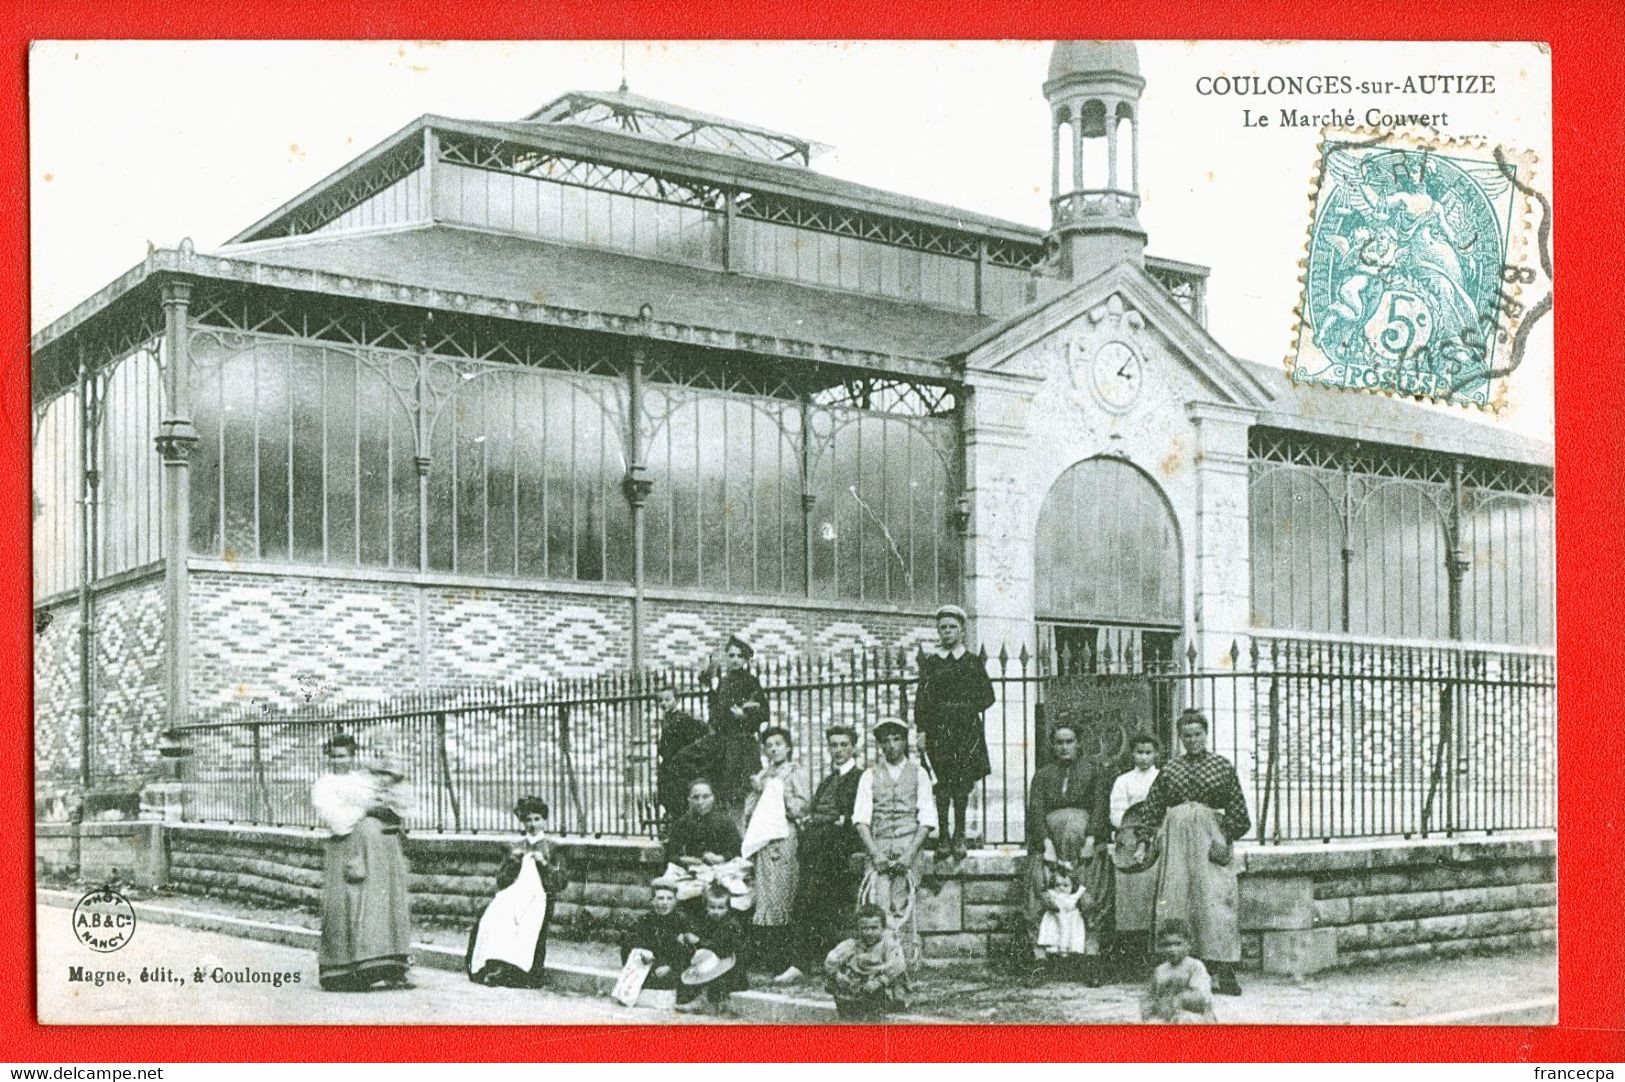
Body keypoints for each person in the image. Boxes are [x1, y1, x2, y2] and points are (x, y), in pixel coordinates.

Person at [1141, 708, 1251, 997]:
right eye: (1186, 735)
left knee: (1216, 902)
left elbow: (1239, 812)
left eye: (1197, 734)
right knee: (1176, 900)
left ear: (1206, 734)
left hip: (1209, 838)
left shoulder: (1222, 766)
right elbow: (1152, 807)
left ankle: (1225, 971)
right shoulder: (1170, 769)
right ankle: (1176, 972)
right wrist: (1145, 838)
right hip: (1175, 840)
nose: (1192, 740)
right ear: (1180, 737)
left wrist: (1225, 839)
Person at [311, 734, 413, 992]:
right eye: (334, 756)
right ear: (328, 757)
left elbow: (388, 800)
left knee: (381, 907)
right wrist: (366, 811)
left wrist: (383, 806)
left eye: (344, 756)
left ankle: (390, 967)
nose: (339, 761)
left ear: (352, 756)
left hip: (380, 853)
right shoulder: (325, 784)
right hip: (348, 850)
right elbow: (335, 818)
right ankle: (347, 970)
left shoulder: (363, 780)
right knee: (349, 905)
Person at [1023, 721, 1111, 984]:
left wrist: (1091, 839)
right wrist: (1047, 844)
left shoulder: (1093, 772)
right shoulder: (1043, 774)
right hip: (1050, 846)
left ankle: (1091, 959)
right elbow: (1036, 810)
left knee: (1090, 894)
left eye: (1069, 741)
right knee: (1039, 892)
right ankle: (1039, 961)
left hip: (1084, 845)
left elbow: (1099, 806)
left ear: (1078, 743)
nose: (1064, 747)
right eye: (1059, 742)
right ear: (1053, 745)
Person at [913, 605, 995, 860]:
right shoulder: (931, 663)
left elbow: (987, 696)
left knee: (962, 786)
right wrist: (923, 730)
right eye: (943, 628)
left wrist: (964, 708)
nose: (947, 632)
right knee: (942, 786)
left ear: (961, 630)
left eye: (952, 627)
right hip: (939, 731)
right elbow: (922, 699)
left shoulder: (971, 662)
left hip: (965, 732)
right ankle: (943, 838)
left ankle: (960, 836)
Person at [852, 717, 935, 966]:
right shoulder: (869, 775)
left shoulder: (919, 774)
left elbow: (928, 820)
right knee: (878, 904)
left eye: (896, 738)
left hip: (908, 848)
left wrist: (909, 855)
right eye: (885, 740)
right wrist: (875, 854)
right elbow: (861, 820)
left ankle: (905, 962)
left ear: (905, 741)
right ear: (880, 745)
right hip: (879, 849)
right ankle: (878, 962)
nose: (891, 745)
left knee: (903, 905)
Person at [466, 796, 567, 988]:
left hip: (540, 901)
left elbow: (561, 881)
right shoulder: (516, 848)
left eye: (537, 819)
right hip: (513, 899)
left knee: (527, 926)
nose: (532, 824)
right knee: (490, 919)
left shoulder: (554, 849)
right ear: (523, 822)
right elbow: (501, 881)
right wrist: (513, 861)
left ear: (544, 821)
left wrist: (544, 864)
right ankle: (494, 966)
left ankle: (520, 973)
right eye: (528, 820)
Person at [792, 725, 866, 974]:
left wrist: (835, 820)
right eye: (833, 745)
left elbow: (852, 817)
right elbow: (817, 812)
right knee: (806, 897)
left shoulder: (860, 778)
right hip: (817, 848)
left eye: (844, 744)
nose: (839, 750)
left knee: (818, 899)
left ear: (854, 747)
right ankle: (807, 962)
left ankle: (810, 962)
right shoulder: (827, 781)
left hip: (839, 850)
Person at [741, 726, 809, 983]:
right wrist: (759, 790)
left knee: (782, 894)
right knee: (765, 896)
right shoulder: (762, 775)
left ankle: (784, 961)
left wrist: (776, 793)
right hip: (764, 840)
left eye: (779, 744)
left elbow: (802, 806)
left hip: (784, 837)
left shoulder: (795, 773)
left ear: (788, 747)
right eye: (769, 745)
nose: (774, 749)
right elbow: (749, 811)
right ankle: (767, 959)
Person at [701, 634, 769, 829]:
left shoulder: (751, 682)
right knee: (724, 793)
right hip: (724, 745)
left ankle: (743, 835)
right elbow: (715, 713)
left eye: (739, 656)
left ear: (746, 659)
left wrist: (745, 716)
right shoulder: (723, 683)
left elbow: (764, 713)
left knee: (744, 794)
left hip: (744, 746)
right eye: (731, 656)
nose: (735, 660)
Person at [1110, 734, 1163, 970]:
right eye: (1139, 752)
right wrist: (1131, 824)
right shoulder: (1123, 781)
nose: (1143, 757)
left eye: (1148, 752)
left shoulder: (1163, 778)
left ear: (1156, 754)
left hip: (1158, 837)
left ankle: (1157, 952)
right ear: (1132, 754)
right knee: (1131, 896)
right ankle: (1131, 953)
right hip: (1131, 838)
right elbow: (1116, 812)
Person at [824, 903, 908, 1021]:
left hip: (880, 985)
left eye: (874, 928)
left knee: (898, 976)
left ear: (883, 928)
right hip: (860, 986)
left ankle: (893, 1003)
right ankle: (850, 1003)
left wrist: (879, 981)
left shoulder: (888, 944)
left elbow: (898, 965)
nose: (869, 932)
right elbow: (831, 959)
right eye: (864, 928)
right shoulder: (853, 943)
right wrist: (838, 975)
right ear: (859, 928)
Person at [617, 878, 694, 1000]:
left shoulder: (682, 921)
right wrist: (643, 955)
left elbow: (688, 951)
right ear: (652, 901)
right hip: (651, 965)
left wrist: (671, 967)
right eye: (660, 898)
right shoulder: (645, 920)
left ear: (675, 902)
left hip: (672, 966)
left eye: (669, 899)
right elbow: (634, 944)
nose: (664, 903)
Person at [675, 886, 749, 1013]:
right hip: (717, 960)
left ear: (728, 908)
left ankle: (704, 1001)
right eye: (712, 907)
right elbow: (701, 934)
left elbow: (721, 948)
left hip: (731, 964)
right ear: (706, 907)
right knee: (696, 963)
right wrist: (687, 936)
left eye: (721, 908)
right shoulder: (709, 921)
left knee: (716, 978)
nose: (716, 911)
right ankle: (695, 998)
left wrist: (699, 941)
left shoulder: (730, 924)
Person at [654, 685, 711, 836]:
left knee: (679, 801)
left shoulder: (682, 719)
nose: (664, 703)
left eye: (667, 699)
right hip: (668, 767)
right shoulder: (667, 719)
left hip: (679, 768)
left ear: (676, 700)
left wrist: (685, 755)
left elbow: (701, 731)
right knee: (668, 799)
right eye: (660, 700)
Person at [1140, 919, 1217, 1023]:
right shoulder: (1160, 970)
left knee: (1184, 1020)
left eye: (1177, 944)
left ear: (1189, 945)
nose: (1172, 949)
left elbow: (1202, 996)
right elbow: (1149, 995)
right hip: (1167, 1016)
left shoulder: (1195, 967)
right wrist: (1148, 1009)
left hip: (1193, 1014)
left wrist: (1180, 999)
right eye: (1166, 945)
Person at [666, 778, 743, 868]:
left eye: (705, 797)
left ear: (712, 798)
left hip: (722, 869)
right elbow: (670, 855)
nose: (700, 802)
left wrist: (721, 858)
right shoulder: (681, 823)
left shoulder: (725, 822)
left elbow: (738, 850)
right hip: (690, 871)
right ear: (689, 800)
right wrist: (685, 860)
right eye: (695, 797)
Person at [1035, 862, 1089, 965]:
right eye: (1058, 885)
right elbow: (1045, 896)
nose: (1061, 888)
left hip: (1071, 921)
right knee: (1054, 937)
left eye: (1065, 885)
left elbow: (1083, 896)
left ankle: (1069, 958)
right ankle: (1054, 954)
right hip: (1055, 921)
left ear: (1072, 886)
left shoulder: (1073, 896)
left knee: (1071, 939)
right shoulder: (1053, 894)